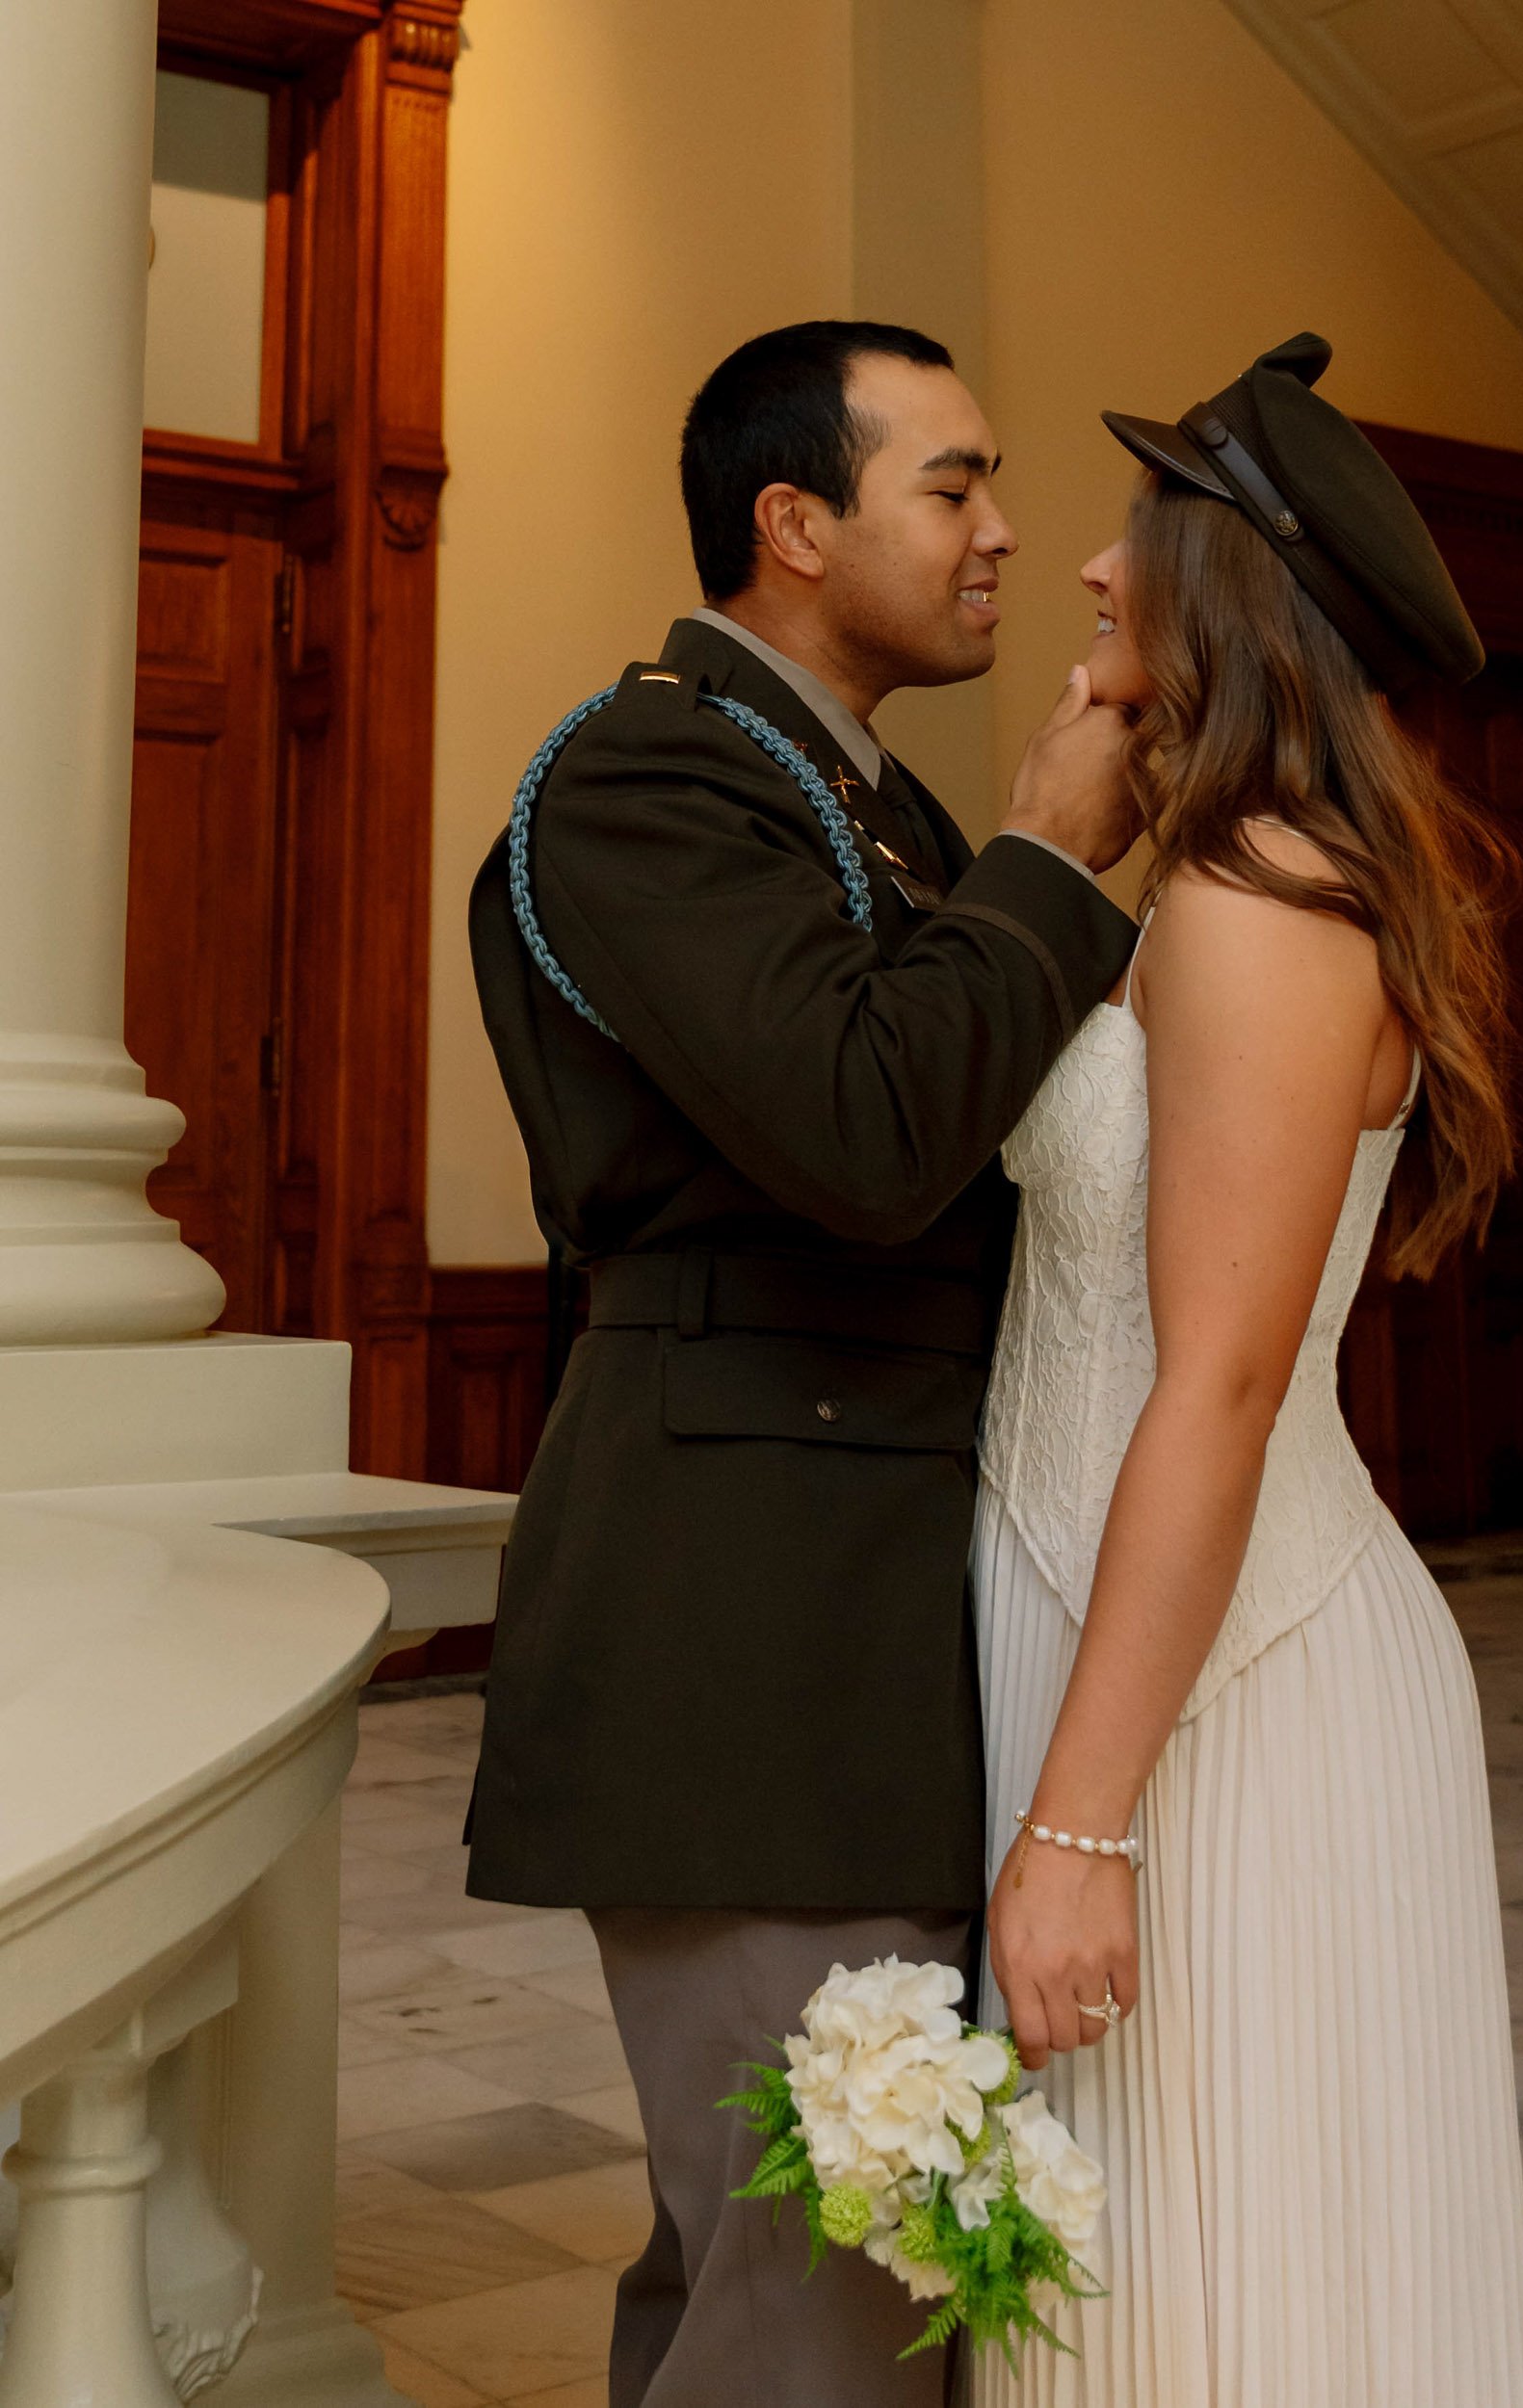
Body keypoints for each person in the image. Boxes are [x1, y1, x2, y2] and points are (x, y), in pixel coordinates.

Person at [464, 319, 1141, 2408]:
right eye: (951, 484)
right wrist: (1046, 849)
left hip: (867, 1618)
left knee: (810, 2287)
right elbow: (862, 1135)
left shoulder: (861, 795)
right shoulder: (649, 770)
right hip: (742, 1632)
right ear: (792, 521)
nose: (1002, 531)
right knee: (817, 2304)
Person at [975, 335, 1523, 2406]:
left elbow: (1213, 1382)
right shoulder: (1203, 878)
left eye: (1135, 538)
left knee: (1235, 2292)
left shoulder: (1254, 900)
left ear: (1219, 588)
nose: (1093, 573)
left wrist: (1082, 1826)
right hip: (1115, 1635)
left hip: (1222, 1695)